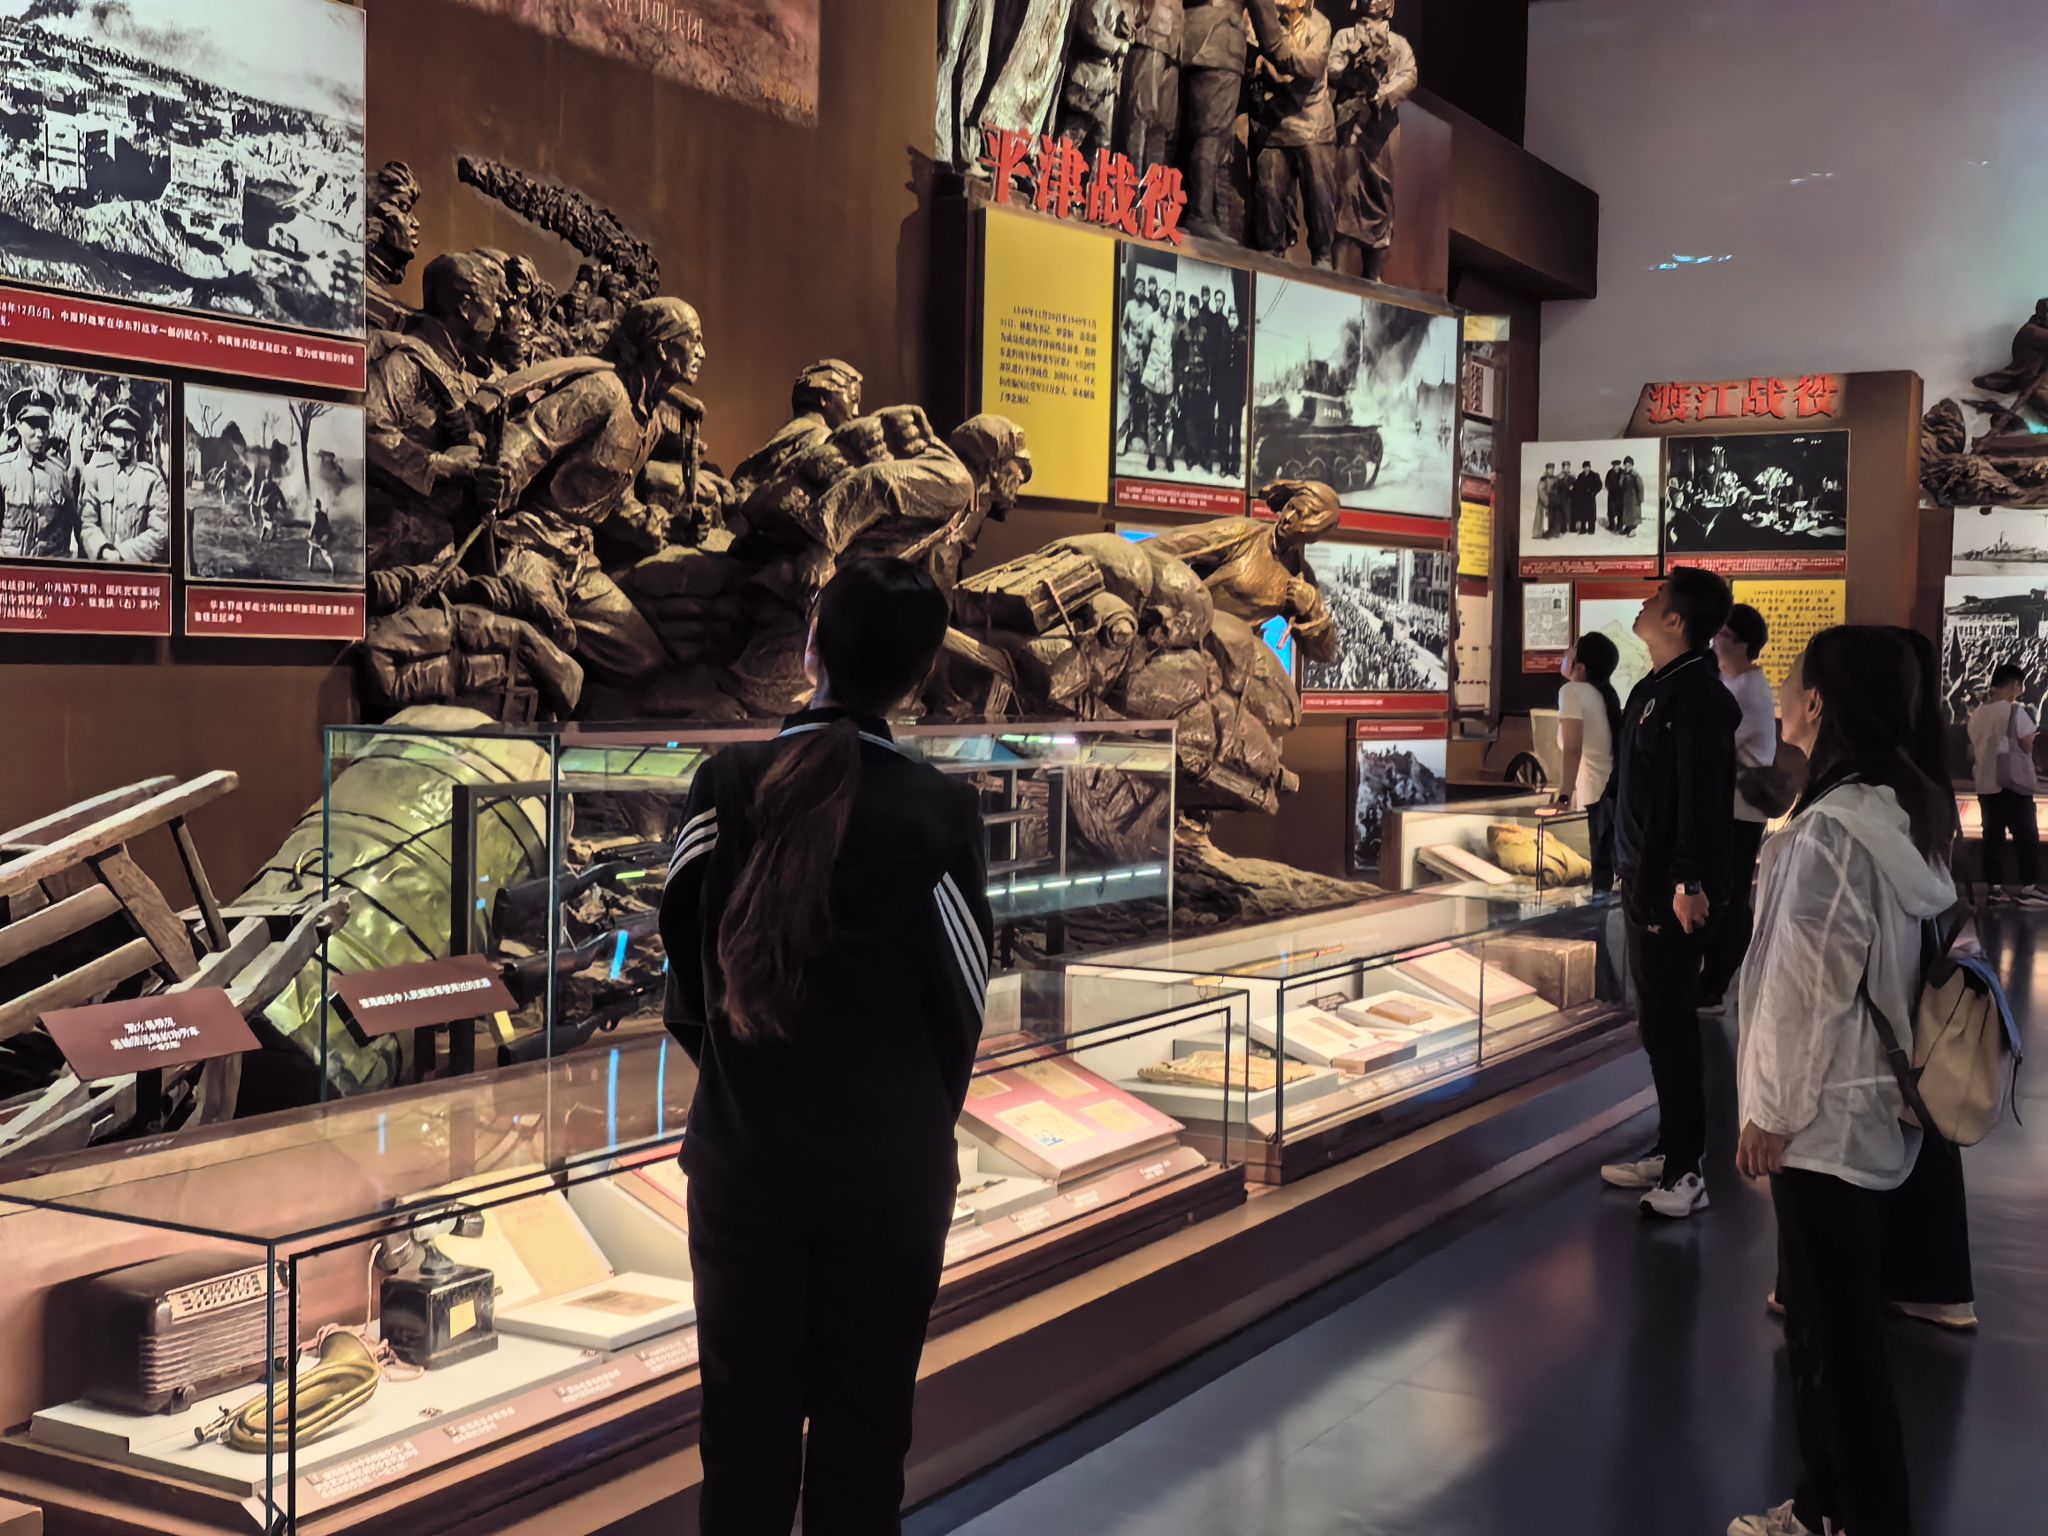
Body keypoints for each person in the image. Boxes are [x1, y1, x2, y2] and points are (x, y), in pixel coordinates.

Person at [660, 557, 993, 1535]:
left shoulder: (723, 786)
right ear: (920, 676)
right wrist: (906, 1121)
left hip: (746, 1167)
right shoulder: (942, 811)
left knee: (742, 1449)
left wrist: (742, 1084)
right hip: (889, 1181)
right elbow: (962, 1006)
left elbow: (686, 975)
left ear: (810, 647)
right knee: (864, 1446)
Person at [1728, 626, 1957, 1536]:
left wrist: (1770, 1113)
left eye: (1793, 681)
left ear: (1818, 703)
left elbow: (1804, 987)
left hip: (1820, 1119)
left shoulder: (1830, 833)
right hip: (1872, 1112)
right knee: (1831, 1335)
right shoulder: (1906, 814)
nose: (1781, 694)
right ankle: (1825, 1507)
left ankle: (1860, 1516)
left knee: (1836, 1345)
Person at [1599, 567, 1738, 1217]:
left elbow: (1700, 800)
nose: (1645, 602)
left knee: (1675, 1026)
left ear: (1676, 620)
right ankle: (1671, 1146)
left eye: (1656, 598)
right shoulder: (1653, 688)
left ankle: (1688, 1170)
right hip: (1642, 881)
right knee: (1657, 1025)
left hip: (1673, 892)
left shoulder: (1699, 697)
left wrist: (1688, 880)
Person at [1700, 603, 1777, 1010]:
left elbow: (1717, 743)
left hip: (1740, 808)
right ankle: (1714, 979)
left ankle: (1716, 983)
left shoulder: (1746, 690)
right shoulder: (1734, 683)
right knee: (1725, 890)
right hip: (1731, 804)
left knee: (1728, 894)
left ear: (1744, 644)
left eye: (1724, 635)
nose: (1715, 641)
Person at [1246, 0, 1339, 270]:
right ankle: (1271, 251)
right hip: (1274, 124)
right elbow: (1249, 60)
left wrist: (1276, 65)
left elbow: (1312, 66)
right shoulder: (1262, 24)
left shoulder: (1319, 24)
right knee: (1268, 190)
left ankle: (1322, 255)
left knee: (1319, 194)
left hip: (1312, 124)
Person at [1966, 661, 2047, 904]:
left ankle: (1994, 889)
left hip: (1985, 783)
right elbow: (2026, 744)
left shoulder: (1977, 714)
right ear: (2013, 684)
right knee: (2025, 835)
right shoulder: (2014, 711)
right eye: (2020, 685)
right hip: (2012, 783)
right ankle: (2028, 887)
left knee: (1992, 837)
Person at [1557, 632, 1621, 892]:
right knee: (1606, 876)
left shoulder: (1571, 691)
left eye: (1572, 649)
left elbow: (1572, 748)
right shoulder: (1602, 694)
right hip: (1608, 793)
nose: (1565, 654)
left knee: (1601, 877)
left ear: (1580, 667)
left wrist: (1563, 797)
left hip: (1596, 796)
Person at [79, 405, 168, 564]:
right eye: (117, 435)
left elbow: (160, 532)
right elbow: (87, 523)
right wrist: (103, 550)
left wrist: (122, 554)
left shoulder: (151, 478)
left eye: (128, 436)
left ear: (136, 439)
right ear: (108, 437)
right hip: (101, 564)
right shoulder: (95, 474)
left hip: (138, 567)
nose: (123, 444)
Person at [0, 387, 79, 560]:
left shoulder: (59, 473)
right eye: (33, 425)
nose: (40, 434)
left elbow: (71, 525)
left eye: (44, 426)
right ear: (18, 425)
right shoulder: (3, 470)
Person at [1569, 459, 1602, 536]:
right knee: (1583, 514)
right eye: (1585, 467)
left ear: (1590, 467)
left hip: (1590, 498)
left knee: (1591, 514)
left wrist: (1594, 492)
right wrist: (1572, 488)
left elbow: (1599, 485)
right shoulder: (1581, 475)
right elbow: (1577, 485)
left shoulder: (1594, 475)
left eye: (1587, 467)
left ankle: (1591, 529)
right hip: (1582, 498)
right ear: (1583, 468)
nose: (1586, 469)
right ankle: (1583, 529)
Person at [1532, 462, 1557, 542]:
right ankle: (1539, 533)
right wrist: (1546, 501)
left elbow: (1556, 489)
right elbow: (1541, 490)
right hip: (1543, 502)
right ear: (1546, 470)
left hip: (1552, 501)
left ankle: (1550, 532)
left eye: (1552, 469)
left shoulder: (1554, 479)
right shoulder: (1543, 479)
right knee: (1542, 518)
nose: (1552, 470)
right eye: (1550, 469)